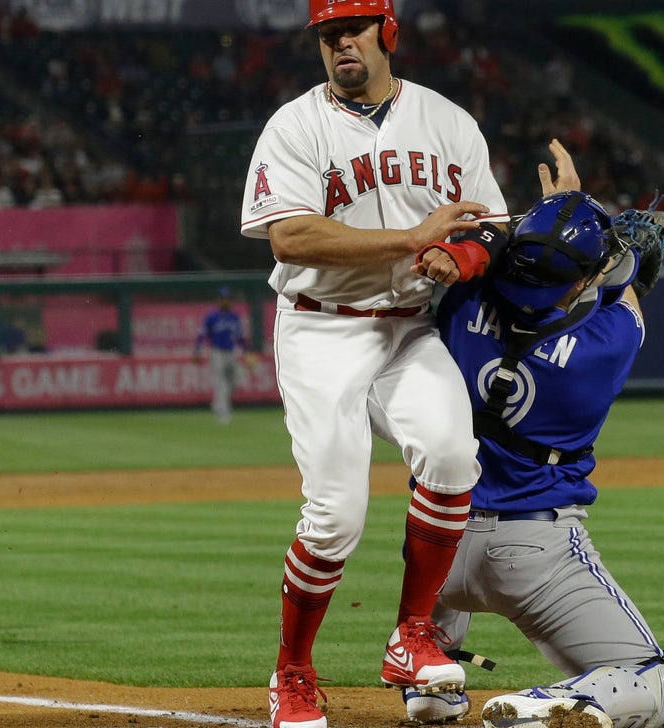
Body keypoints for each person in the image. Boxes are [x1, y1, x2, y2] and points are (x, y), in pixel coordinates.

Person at [239, 2, 511, 726]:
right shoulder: (295, 126)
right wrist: (409, 238)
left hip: (410, 326)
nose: (341, 45)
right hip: (321, 332)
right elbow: (290, 238)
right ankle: (291, 673)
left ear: (388, 34)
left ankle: (412, 635)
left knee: (454, 456)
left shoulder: (448, 122)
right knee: (334, 518)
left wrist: (456, 253)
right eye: (329, 35)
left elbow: (489, 228)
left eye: (354, 30)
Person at [400, 142, 664, 728]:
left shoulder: (463, 296)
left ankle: (432, 680)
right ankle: (548, 705)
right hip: (532, 553)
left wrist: (553, 214)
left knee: (439, 514)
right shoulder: (606, 343)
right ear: (572, 285)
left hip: (436, 543)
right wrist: (584, 209)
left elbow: (502, 247)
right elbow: (627, 276)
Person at [192, 285, 254, 424]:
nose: (225, 301)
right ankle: (224, 413)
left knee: (234, 382)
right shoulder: (212, 316)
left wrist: (248, 351)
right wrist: (197, 349)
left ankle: (217, 402)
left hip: (231, 352)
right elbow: (202, 334)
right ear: (219, 300)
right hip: (216, 352)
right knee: (221, 383)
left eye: (227, 298)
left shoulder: (234, 317)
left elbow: (240, 337)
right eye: (222, 298)